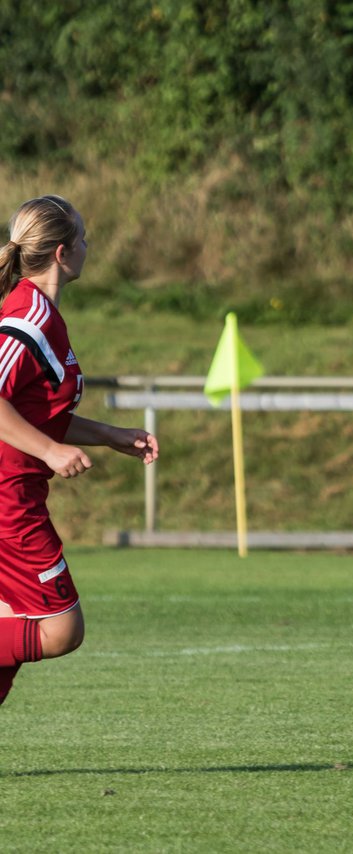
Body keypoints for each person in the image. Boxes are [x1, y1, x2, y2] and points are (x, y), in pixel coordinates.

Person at [0, 195, 159, 707]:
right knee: (61, 629)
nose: (91, 247)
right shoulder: (26, 318)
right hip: (7, 505)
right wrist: (48, 451)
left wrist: (109, 435)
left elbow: (35, 412)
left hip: (17, 496)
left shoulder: (44, 315)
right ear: (63, 254)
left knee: (16, 624)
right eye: (85, 238)